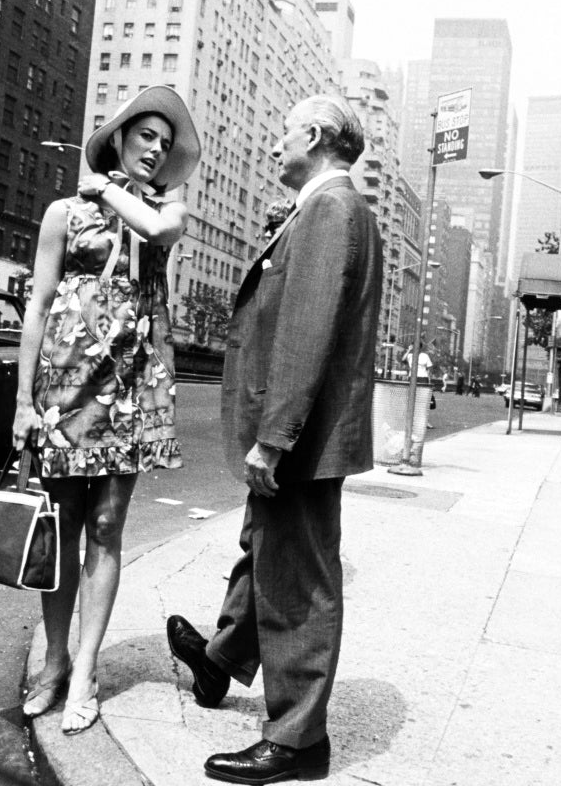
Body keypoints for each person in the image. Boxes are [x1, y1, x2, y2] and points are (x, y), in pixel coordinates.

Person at [166, 95, 381, 784]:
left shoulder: (329, 210)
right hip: (303, 431)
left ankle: (296, 740)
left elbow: (306, 334)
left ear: (314, 137)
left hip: (304, 435)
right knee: (266, 547)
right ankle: (222, 660)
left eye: (283, 131)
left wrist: (275, 438)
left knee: (299, 580)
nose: (272, 143)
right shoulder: (326, 210)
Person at [11, 86, 198, 735]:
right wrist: (22, 403)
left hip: (130, 386)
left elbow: (157, 229)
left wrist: (104, 189)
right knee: (59, 530)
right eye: (145, 136)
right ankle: (55, 662)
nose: (155, 149)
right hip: (65, 383)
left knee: (106, 527)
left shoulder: (164, 209)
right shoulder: (63, 214)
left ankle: (86, 671)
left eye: (165, 144)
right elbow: (36, 306)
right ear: (119, 137)